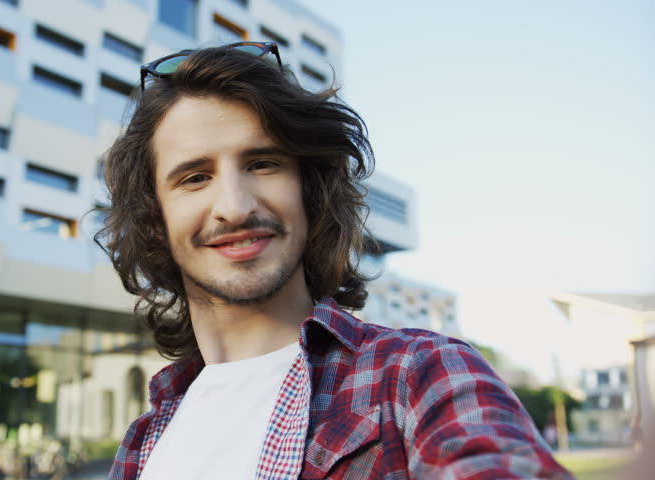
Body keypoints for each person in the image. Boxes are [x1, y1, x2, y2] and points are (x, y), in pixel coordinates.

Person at [96, 42, 572, 479]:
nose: (235, 207)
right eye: (195, 178)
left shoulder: (419, 375)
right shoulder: (142, 443)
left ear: (310, 191)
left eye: (263, 164)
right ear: (155, 220)